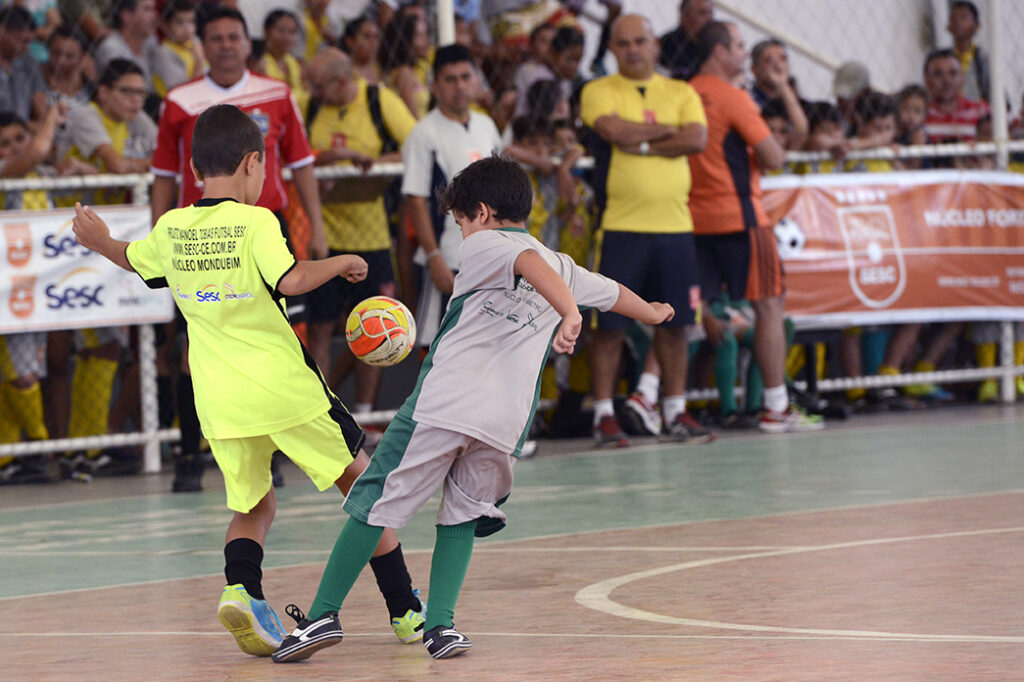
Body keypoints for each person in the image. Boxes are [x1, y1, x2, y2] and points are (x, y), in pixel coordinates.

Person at [270, 153, 676, 663]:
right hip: (503, 422)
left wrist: (570, 313)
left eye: (460, 222)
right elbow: (613, 293)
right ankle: (441, 626)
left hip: (444, 406)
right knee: (461, 514)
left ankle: (323, 614)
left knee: (374, 501)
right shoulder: (563, 266)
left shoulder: (489, 245)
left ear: (481, 213)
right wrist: (653, 311)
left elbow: (523, 263)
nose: (462, 233)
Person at [71, 103, 425, 658]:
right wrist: (342, 262)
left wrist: (96, 239)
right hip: (285, 388)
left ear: (192, 172)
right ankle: (405, 611)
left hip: (220, 399)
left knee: (253, 507)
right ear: (253, 163)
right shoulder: (257, 222)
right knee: (363, 489)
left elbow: (132, 260)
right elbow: (292, 278)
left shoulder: (173, 227)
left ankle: (243, 591)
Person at [150, 7, 330, 492]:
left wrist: (316, 226)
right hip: (202, 239)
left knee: (274, 339)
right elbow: (165, 176)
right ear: (202, 45)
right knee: (193, 347)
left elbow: (303, 162)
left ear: (247, 44)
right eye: (217, 37)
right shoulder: (180, 100)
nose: (226, 44)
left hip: (265, 228)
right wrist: (158, 233)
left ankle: (270, 451)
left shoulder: (277, 92)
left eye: (234, 36)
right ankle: (190, 456)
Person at [581, 14, 711, 447]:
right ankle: (603, 414)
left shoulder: (682, 90)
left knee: (675, 326)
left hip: (676, 226)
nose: (633, 49)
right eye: (623, 43)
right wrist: (667, 131)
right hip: (622, 225)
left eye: (640, 41)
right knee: (611, 326)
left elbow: (697, 139)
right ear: (613, 48)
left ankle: (674, 409)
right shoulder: (598, 90)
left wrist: (638, 142)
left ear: (655, 44)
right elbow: (612, 130)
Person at [688, 20, 823, 433]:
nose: (743, 54)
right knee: (770, 305)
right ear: (720, 52)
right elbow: (775, 157)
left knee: (685, 308)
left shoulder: (682, 93)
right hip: (741, 218)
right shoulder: (734, 98)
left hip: (692, 217)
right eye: (740, 46)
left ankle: (665, 401)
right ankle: (776, 406)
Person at [304, 48, 416, 429]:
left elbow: (415, 145)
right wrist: (332, 159)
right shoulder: (309, 107)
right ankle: (318, 412)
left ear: (340, 81)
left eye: (319, 86)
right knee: (319, 326)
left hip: (371, 234)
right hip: (323, 235)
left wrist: (371, 167)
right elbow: (296, 154)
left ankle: (365, 415)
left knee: (376, 320)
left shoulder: (378, 100)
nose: (312, 92)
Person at [401, 43, 501, 350]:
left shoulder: (486, 125)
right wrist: (434, 258)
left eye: (465, 77)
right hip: (448, 258)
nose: (459, 86)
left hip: (491, 258)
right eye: (450, 79)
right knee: (437, 346)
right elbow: (416, 200)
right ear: (435, 86)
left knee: (484, 345)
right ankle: (425, 401)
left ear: (476, 81)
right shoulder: (423, 133)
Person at [922, 47, 990, 144]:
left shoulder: (982, 111)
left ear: (962, 77)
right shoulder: (918, 115)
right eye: (938, 74)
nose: (947, 80)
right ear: (926, 79)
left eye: (953, 73)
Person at [92, 0, 158, 90]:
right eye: (147, 10)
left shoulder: (151, 43)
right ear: (126, 15)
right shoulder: (112, 51)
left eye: (153, 9)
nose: (154, 16)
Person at [256, 10, 310, 118]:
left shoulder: (296, 63)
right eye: (281, 30)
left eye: (292, 32)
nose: (286, 37)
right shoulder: (260, 63)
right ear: (267, 32)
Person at [0, 5, 47, 123]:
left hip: (25, 133)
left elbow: (41, 107)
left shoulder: (30, 63)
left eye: (29, 42)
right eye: (22, 41)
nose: (26, 48)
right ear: (3, 32)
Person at [151, 0, 205, 98]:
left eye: (191, 21)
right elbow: (183, 95)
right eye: (180, 23)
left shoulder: (193, 44)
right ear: (164, 25)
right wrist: (199, 62)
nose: (187, 28)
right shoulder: (164, 53)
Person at [659, 0, 713, 81]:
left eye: (710, 13)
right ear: (684, 16)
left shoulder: (715, 46)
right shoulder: (667, 44)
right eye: (702, 13)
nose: (709, 19)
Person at [947, 0, 989, 103]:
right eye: (953, 19)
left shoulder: (982, 58)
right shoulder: (945, 58)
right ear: (948, 27)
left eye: (963, 18)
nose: (957, 22)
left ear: (977, 25)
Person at [340, 16, 382, 84]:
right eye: (366, 36)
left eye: (376, 37)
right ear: (350, 41)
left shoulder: (380, 71)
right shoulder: (343, 72)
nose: (373, 43)